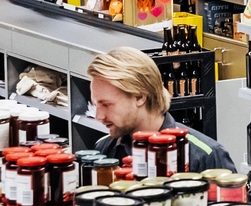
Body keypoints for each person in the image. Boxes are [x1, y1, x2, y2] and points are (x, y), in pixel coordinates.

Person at [87, 47, 236, 174]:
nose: (99, 116)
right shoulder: (104, 149)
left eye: (106, 104)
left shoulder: (206, 157)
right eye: (95, 105)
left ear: (139, 97)